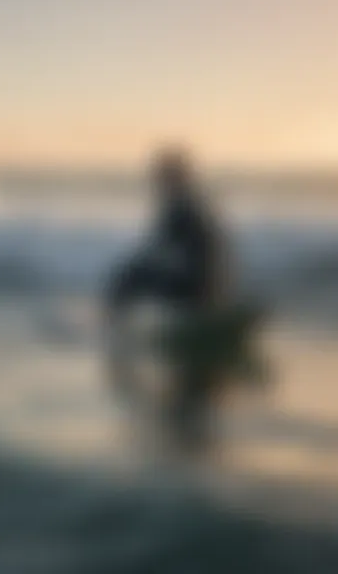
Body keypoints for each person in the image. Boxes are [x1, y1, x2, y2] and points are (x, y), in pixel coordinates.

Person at [103, 147, 233, 453]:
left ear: (171, 179)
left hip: (198, 292)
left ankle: (115, 330)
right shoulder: (196, 205)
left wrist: (137, 273)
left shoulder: (180, 208)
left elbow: (157, 248)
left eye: (161, 178)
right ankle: (184, 326)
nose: (157, 184)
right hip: (209, 291)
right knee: (136, 274)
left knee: (127, 277)